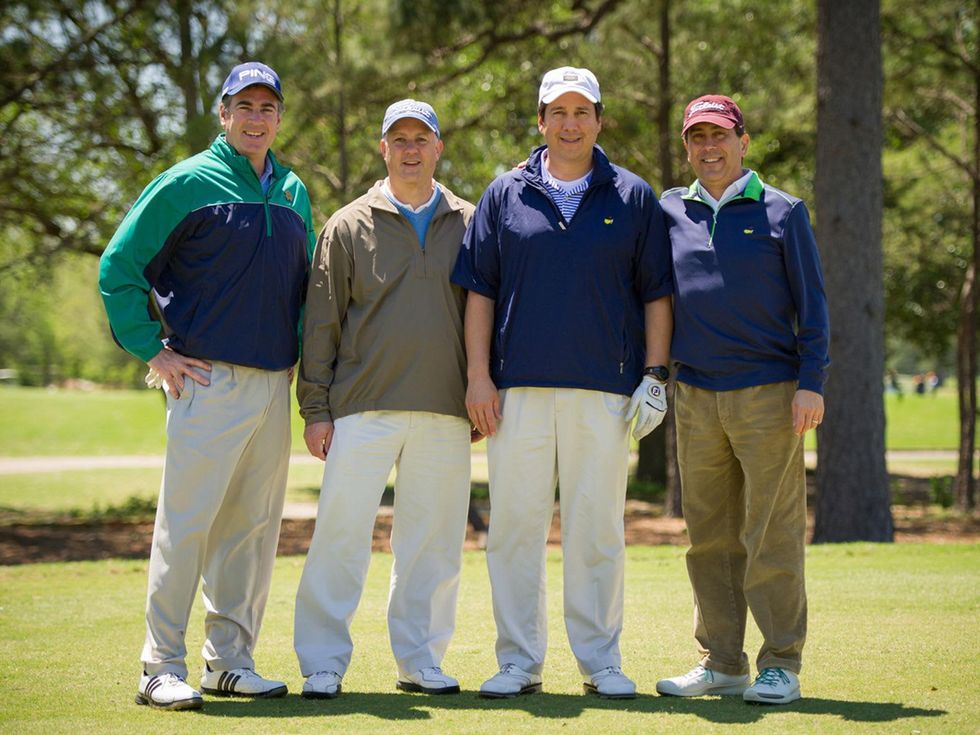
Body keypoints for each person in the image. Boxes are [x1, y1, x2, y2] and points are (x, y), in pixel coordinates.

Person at [99, 61, 315, 710]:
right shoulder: (187, 182)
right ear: (223, 114)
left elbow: (302, 294)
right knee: (186, 527)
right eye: (243, 105)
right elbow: (119, 267)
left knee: (251, 528)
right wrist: (153, 350)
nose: (255, 117)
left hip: (274, 381)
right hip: (206, 378)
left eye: (267, 107)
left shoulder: (295, 191)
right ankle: (158, 665)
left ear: (279, 117)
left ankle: (229, 660)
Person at [452, 67, 673, 700]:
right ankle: (519, 662)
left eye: (582, 111)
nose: (570, 123)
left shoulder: (632, 196)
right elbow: (479, 293)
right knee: (515, 530)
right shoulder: (504, 194)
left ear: (600, 120)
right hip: (515, 391)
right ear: (541, 120)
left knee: (597, 530)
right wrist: (477, 378)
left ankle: (600, 662)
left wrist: (655, 375)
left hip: (605, 391)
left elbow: (656, 293)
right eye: (558, 112)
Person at [293, 99, 475, 699]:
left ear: (438, 146)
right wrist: (315, 409)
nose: (411, 149)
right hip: (361, 408)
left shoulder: (470, 222)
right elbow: (320, 325)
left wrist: (481, 389)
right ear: (383, 149)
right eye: (399, 139)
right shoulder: (347, 225)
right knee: (341, 537)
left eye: (421, 138)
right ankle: (322, 662)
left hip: (446, 408)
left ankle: (420, 660)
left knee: (431, 545)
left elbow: (488, 317)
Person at [654, 95, 829, 705]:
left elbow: (813, 306)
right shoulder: (668, 211)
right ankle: (722, 661)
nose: (709, 148)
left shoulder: (783, 211)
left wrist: (812, 381)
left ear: (743, 142)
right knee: (708, 536)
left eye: (719, 136)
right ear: (687, 147)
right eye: (697, 138)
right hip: (696, 394)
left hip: (770, 394)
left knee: (771, 532)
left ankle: (781, 661)